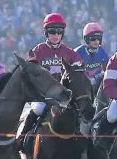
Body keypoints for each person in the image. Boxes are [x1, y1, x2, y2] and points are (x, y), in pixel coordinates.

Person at [17, 13, 81, 150]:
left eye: (59, 31)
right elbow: (30, 75)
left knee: (78, 112)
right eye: (52, 31)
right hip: (43, 96)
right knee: (37, 109)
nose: (56, 35)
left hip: (63, 95)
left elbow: (79, 68)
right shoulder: (37, 51)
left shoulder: (69, 52)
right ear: (46, 32)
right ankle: (22, 139)